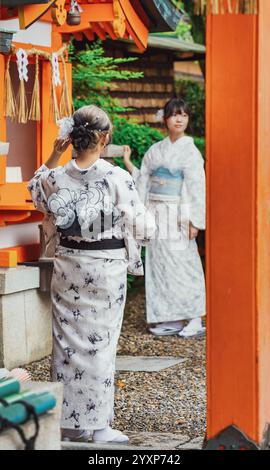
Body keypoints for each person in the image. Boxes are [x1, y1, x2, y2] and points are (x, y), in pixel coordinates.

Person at [28, 105, 155, 443]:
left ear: (71, 138)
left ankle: (69, 424)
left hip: (68, 265)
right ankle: (98, 426)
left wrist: (54, 156)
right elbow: (144, 227)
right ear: (104, 138)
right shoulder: (116, 178)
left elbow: (35, 190)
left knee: (66, 343)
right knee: (99, 344)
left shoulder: (56, 177)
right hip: (103, 268)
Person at [123, 97, 206, 338]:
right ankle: (171, 317)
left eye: (184, 115)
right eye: (174, 114)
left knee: (184, 264)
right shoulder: (156, 150)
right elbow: (145, 180)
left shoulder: (190, 152)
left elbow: (196, 187)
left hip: (179, 214)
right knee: (160, 266)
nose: (179, 119)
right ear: (166, 119)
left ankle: (194, 316)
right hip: (157, 214)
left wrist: (194, 221)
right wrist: (129, 164)